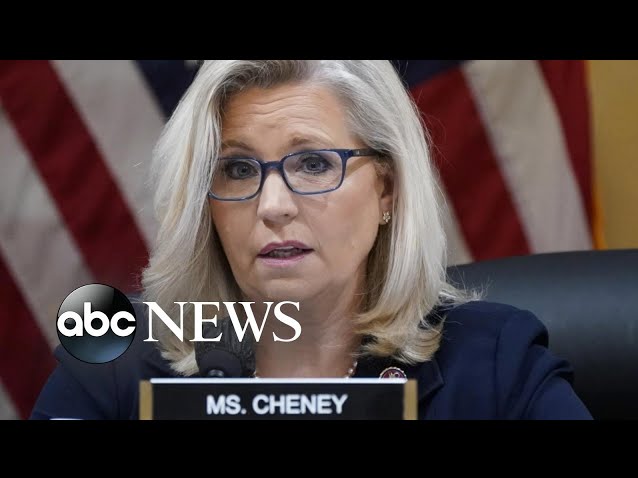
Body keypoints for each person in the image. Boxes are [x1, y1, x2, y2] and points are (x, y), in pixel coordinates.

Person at [30, 60, 592, 420]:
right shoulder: (115, 360)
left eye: (314, 163)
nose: (272, 205)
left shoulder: (493, 364)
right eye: (238, 170)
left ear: (387, 190)